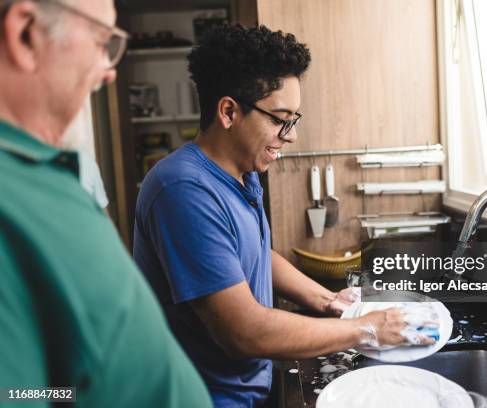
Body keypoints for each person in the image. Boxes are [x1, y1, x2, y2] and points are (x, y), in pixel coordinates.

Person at [134, 24, 434, 407]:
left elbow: (254, 253)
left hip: (245, 388)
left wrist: (327, 300)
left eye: (294, 119)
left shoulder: (241, 172)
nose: (290, 135)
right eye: (280, 119)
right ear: (228, 111)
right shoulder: (183, 190)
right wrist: (367, 328)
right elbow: (245, 332)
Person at [0, 1, 213, 407]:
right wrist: (73, 397)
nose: (109, 70)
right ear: (26, 34)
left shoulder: (47, 170)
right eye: (103, 42)